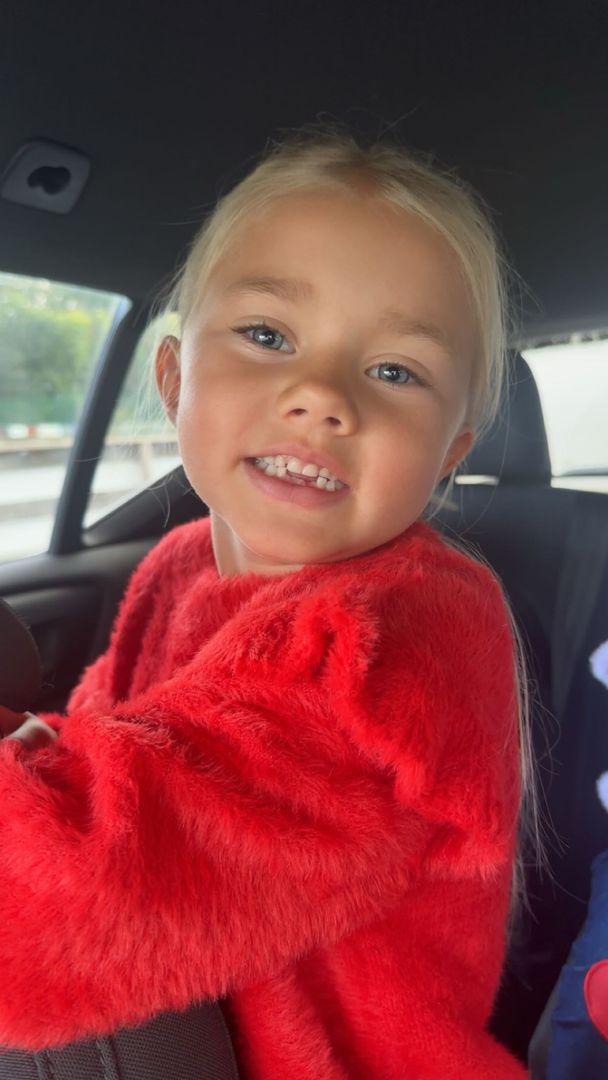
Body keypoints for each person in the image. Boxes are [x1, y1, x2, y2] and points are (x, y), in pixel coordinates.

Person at [0, 125, 541, 1079]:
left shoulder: (405, 628)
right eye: (267, 335)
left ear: (448, 454)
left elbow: (85, 895)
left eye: (395, 372)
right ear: (175, 379)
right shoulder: (177, 565)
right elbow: (109, 740)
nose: (320, 395)